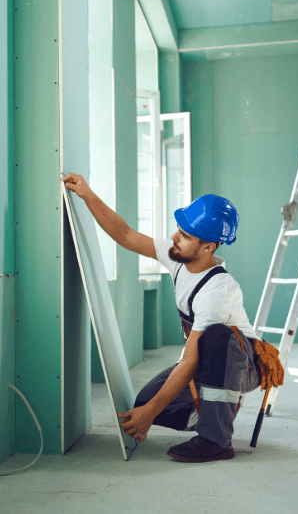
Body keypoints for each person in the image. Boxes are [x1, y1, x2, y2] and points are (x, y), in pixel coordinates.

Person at [61, 172, 262, 462]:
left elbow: (191, 360)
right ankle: (212, 411)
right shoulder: (178, 256)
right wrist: (88, 195)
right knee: (145, 403)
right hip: (208, 359)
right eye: (178, 229)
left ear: (209, 247)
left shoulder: (218, 291)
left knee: (217, 338)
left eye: (185, 235)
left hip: (243, 364)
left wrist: (150, 413)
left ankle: (215, 440)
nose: (174, 238)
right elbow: (127, 235)